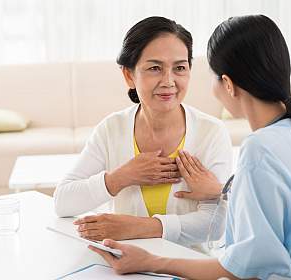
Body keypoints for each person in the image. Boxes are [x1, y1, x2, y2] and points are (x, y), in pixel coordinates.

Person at [89, 15, 291, 279]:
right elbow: (289, 211)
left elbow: (244, 268)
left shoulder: (259, 149)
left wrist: (151, 261)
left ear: (227, 84)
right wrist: (224, 190)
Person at [53, 16, 232, 248]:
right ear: (129, 75)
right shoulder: (112, 129)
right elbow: (63, 201)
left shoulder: (211, 133)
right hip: (122, 266)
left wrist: (137, 228)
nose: (169, 81)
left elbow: (215, 224)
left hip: (189, 267)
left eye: (179, 68)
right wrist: (121, 177)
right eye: (155, 68)